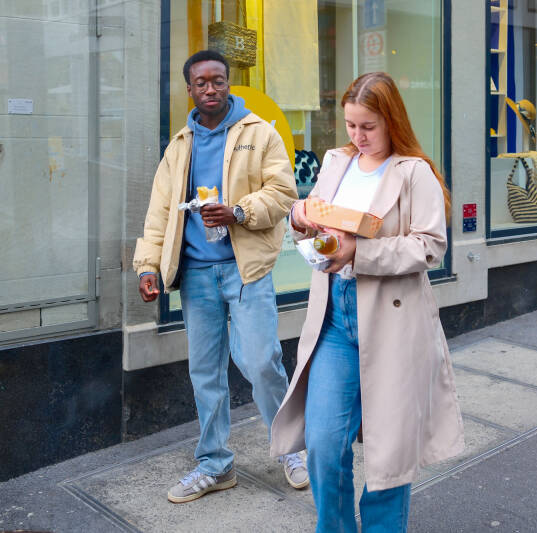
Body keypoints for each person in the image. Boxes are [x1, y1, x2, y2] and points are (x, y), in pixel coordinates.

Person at [270, 72, 465, 532]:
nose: (358, 137)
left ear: (391, 120)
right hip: (335, 317)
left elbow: (430, 246)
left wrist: (362, 251)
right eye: (351, 125)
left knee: (389, 452)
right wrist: (299, 216)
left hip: (393, 320)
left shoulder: (414, 171)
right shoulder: (337, 161)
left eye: (368, 127)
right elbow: (316, 217)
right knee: (322, 442)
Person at [133, 50, 306, 504]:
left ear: (228, 84)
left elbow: (284, 191)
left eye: (218, 81)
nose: (210, 89)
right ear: (189, 89)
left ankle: (291, 448)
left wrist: (239, 211)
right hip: (196, 275)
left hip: (245, 269)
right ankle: (215, 464)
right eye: (201, 83)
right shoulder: (179, 146)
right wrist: (148, 266)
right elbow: (158, 214)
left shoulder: (258, 134)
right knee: (205, 371)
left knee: (261, 361)